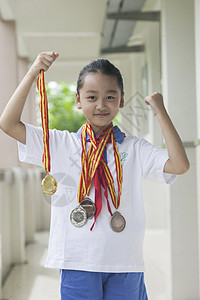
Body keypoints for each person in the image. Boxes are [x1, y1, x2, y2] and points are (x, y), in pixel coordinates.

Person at [0, 52, 190, 300]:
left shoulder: (134, 148)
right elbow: (8, 123)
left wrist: (161, 112)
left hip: (124, 264)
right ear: (78, 100)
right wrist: (33, 72)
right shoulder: (60, 144)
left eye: (110, 97)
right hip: (77, 262)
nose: (101, 105)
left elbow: (179, 165)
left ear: (121, 101)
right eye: (92, 97)